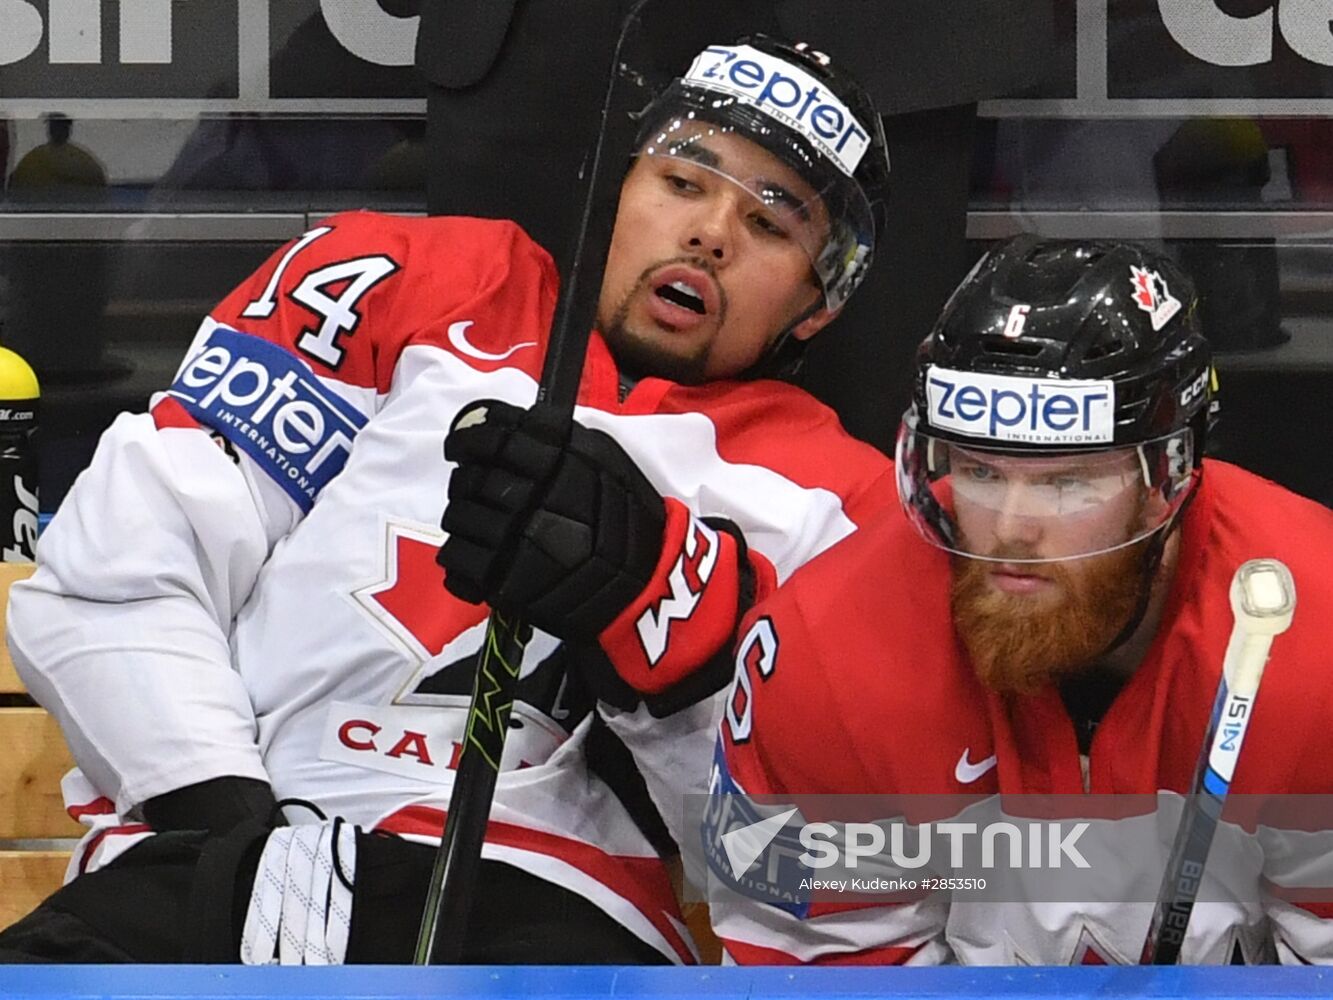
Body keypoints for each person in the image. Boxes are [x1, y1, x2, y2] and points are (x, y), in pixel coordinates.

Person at [0, 35, 896, 964]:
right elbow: (125, 565)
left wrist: (670, 627)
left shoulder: (842, 506)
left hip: (549, 907)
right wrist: (213, 804)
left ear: (817, 301)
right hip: (203, 858)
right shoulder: (395, 281)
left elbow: (832, 872)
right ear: (614, 188)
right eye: (683, 180)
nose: (711, 231)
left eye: (771, 223)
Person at [705, 236, 1333, 965]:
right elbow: (817, 975)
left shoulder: (1317, 642)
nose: (1007, 530)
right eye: (977, 470)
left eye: (1065, 482)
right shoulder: (823, 653)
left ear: (1169, 475)